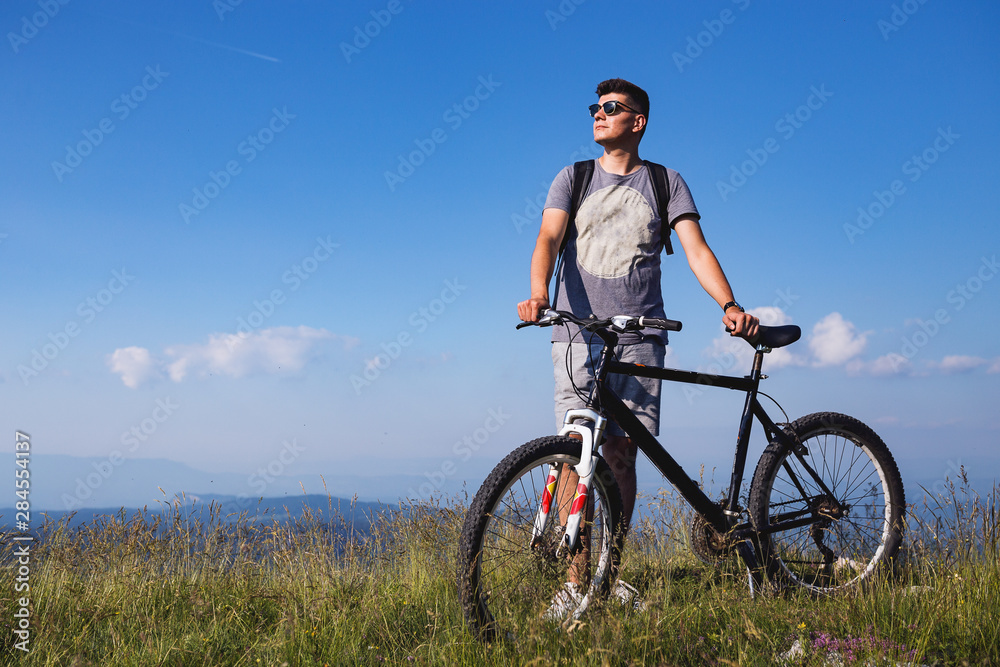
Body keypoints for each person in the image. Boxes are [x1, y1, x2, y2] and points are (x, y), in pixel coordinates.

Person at [516, 78, 759, 616]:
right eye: (594, 108)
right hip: (577, 334)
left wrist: (729, 304)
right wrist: (537, 294)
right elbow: (547, 240)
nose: (598, 115)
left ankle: (609, 575)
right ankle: (578, 585)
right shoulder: (573, 177)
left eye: (611, 108)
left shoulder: (665, 181)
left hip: (641, 335)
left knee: (622, 456)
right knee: (574, 454)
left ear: (638, 121)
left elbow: (695, 249)